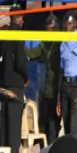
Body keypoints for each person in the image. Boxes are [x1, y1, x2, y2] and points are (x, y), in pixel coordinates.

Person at [0, 5, 29, 153]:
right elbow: (20, 62)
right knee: (14, 127)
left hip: (5, 84)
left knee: (5, 125)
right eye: (22, 18)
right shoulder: (18, 36)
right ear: (19, 19)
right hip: (16, 86)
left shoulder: (5, 35)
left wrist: (2, 75)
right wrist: (26, 76)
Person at [26, 15, 62, 146]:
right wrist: (19, 44)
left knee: (54, 125)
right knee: (46, 124)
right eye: (47, 29)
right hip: (46, 88)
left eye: (52, 29)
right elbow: (32, 53)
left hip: (58, 88)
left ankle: (53, 148)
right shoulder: (45, 43)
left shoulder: (61, 43)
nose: (49, 31)